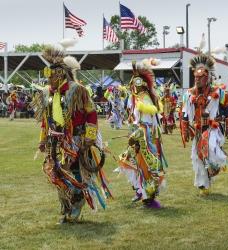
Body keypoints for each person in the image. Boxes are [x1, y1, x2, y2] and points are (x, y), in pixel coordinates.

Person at [31, 41, 112, 223]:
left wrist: (90, 138)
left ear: (61, 74)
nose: (49, 80)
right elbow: (46, 120)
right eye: (48, 76)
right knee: (58, 174)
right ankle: (66, 208)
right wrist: (43, 139)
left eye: (52, 76)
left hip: (77, 139)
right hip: (56, 141)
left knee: (75, 172)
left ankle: (76, 205)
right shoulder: (47, 93)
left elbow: (91, 114)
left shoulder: (78, 90)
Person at [116, 59, 167, 208]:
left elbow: (145, 125)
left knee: (145, 168)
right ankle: (141, 192)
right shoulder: (137, 99)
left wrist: (136, 137)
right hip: (139, 138)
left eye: (134, 83)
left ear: (139, 84)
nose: (132, 86)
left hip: (145, 140)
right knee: (132, 163)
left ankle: (148, 196)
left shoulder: (143, 99)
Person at [180, 53, 228, 195]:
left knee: (210, 152)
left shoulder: (217, 92)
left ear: (206, 78)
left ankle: (213, 170)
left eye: (200, 78)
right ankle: (203, 185)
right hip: (198, 129)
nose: (197, 80)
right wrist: (184, 127)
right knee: (197, 156)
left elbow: (227, 106)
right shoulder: (188, 94)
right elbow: (184, 112)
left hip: (212, 129)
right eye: (195, 77)